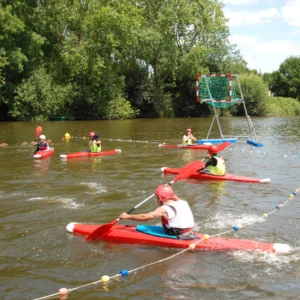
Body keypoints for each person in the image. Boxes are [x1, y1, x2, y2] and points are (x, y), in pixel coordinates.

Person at [119, 184, 196, 240]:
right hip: (190, 233)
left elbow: (145, 217)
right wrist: (166, 188)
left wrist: (127, 216)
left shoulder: (164, 209)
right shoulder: (182, 202)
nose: (156, 200)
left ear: (161, 198)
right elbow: (172, 195)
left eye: (157, 197)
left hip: (179, 236)